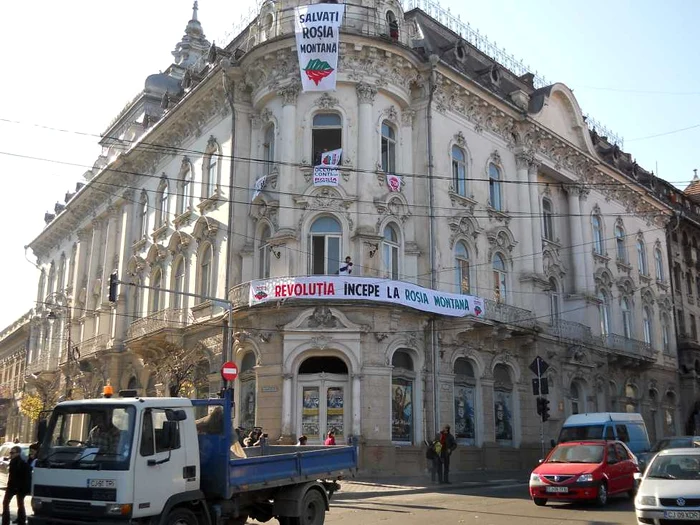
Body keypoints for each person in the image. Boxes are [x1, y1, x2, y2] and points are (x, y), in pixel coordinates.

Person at [2, 446, 29, 525]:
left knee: (18, 504)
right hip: (13, 486)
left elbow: (24, 477)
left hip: (18, 487)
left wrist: (22, 487)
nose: (11, 454)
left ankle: (17, 520)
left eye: (12, 452)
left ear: (18, 453)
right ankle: (15, 520)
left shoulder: (21, 463)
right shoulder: (13, 461)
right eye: (10, 452)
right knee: (9, 503)